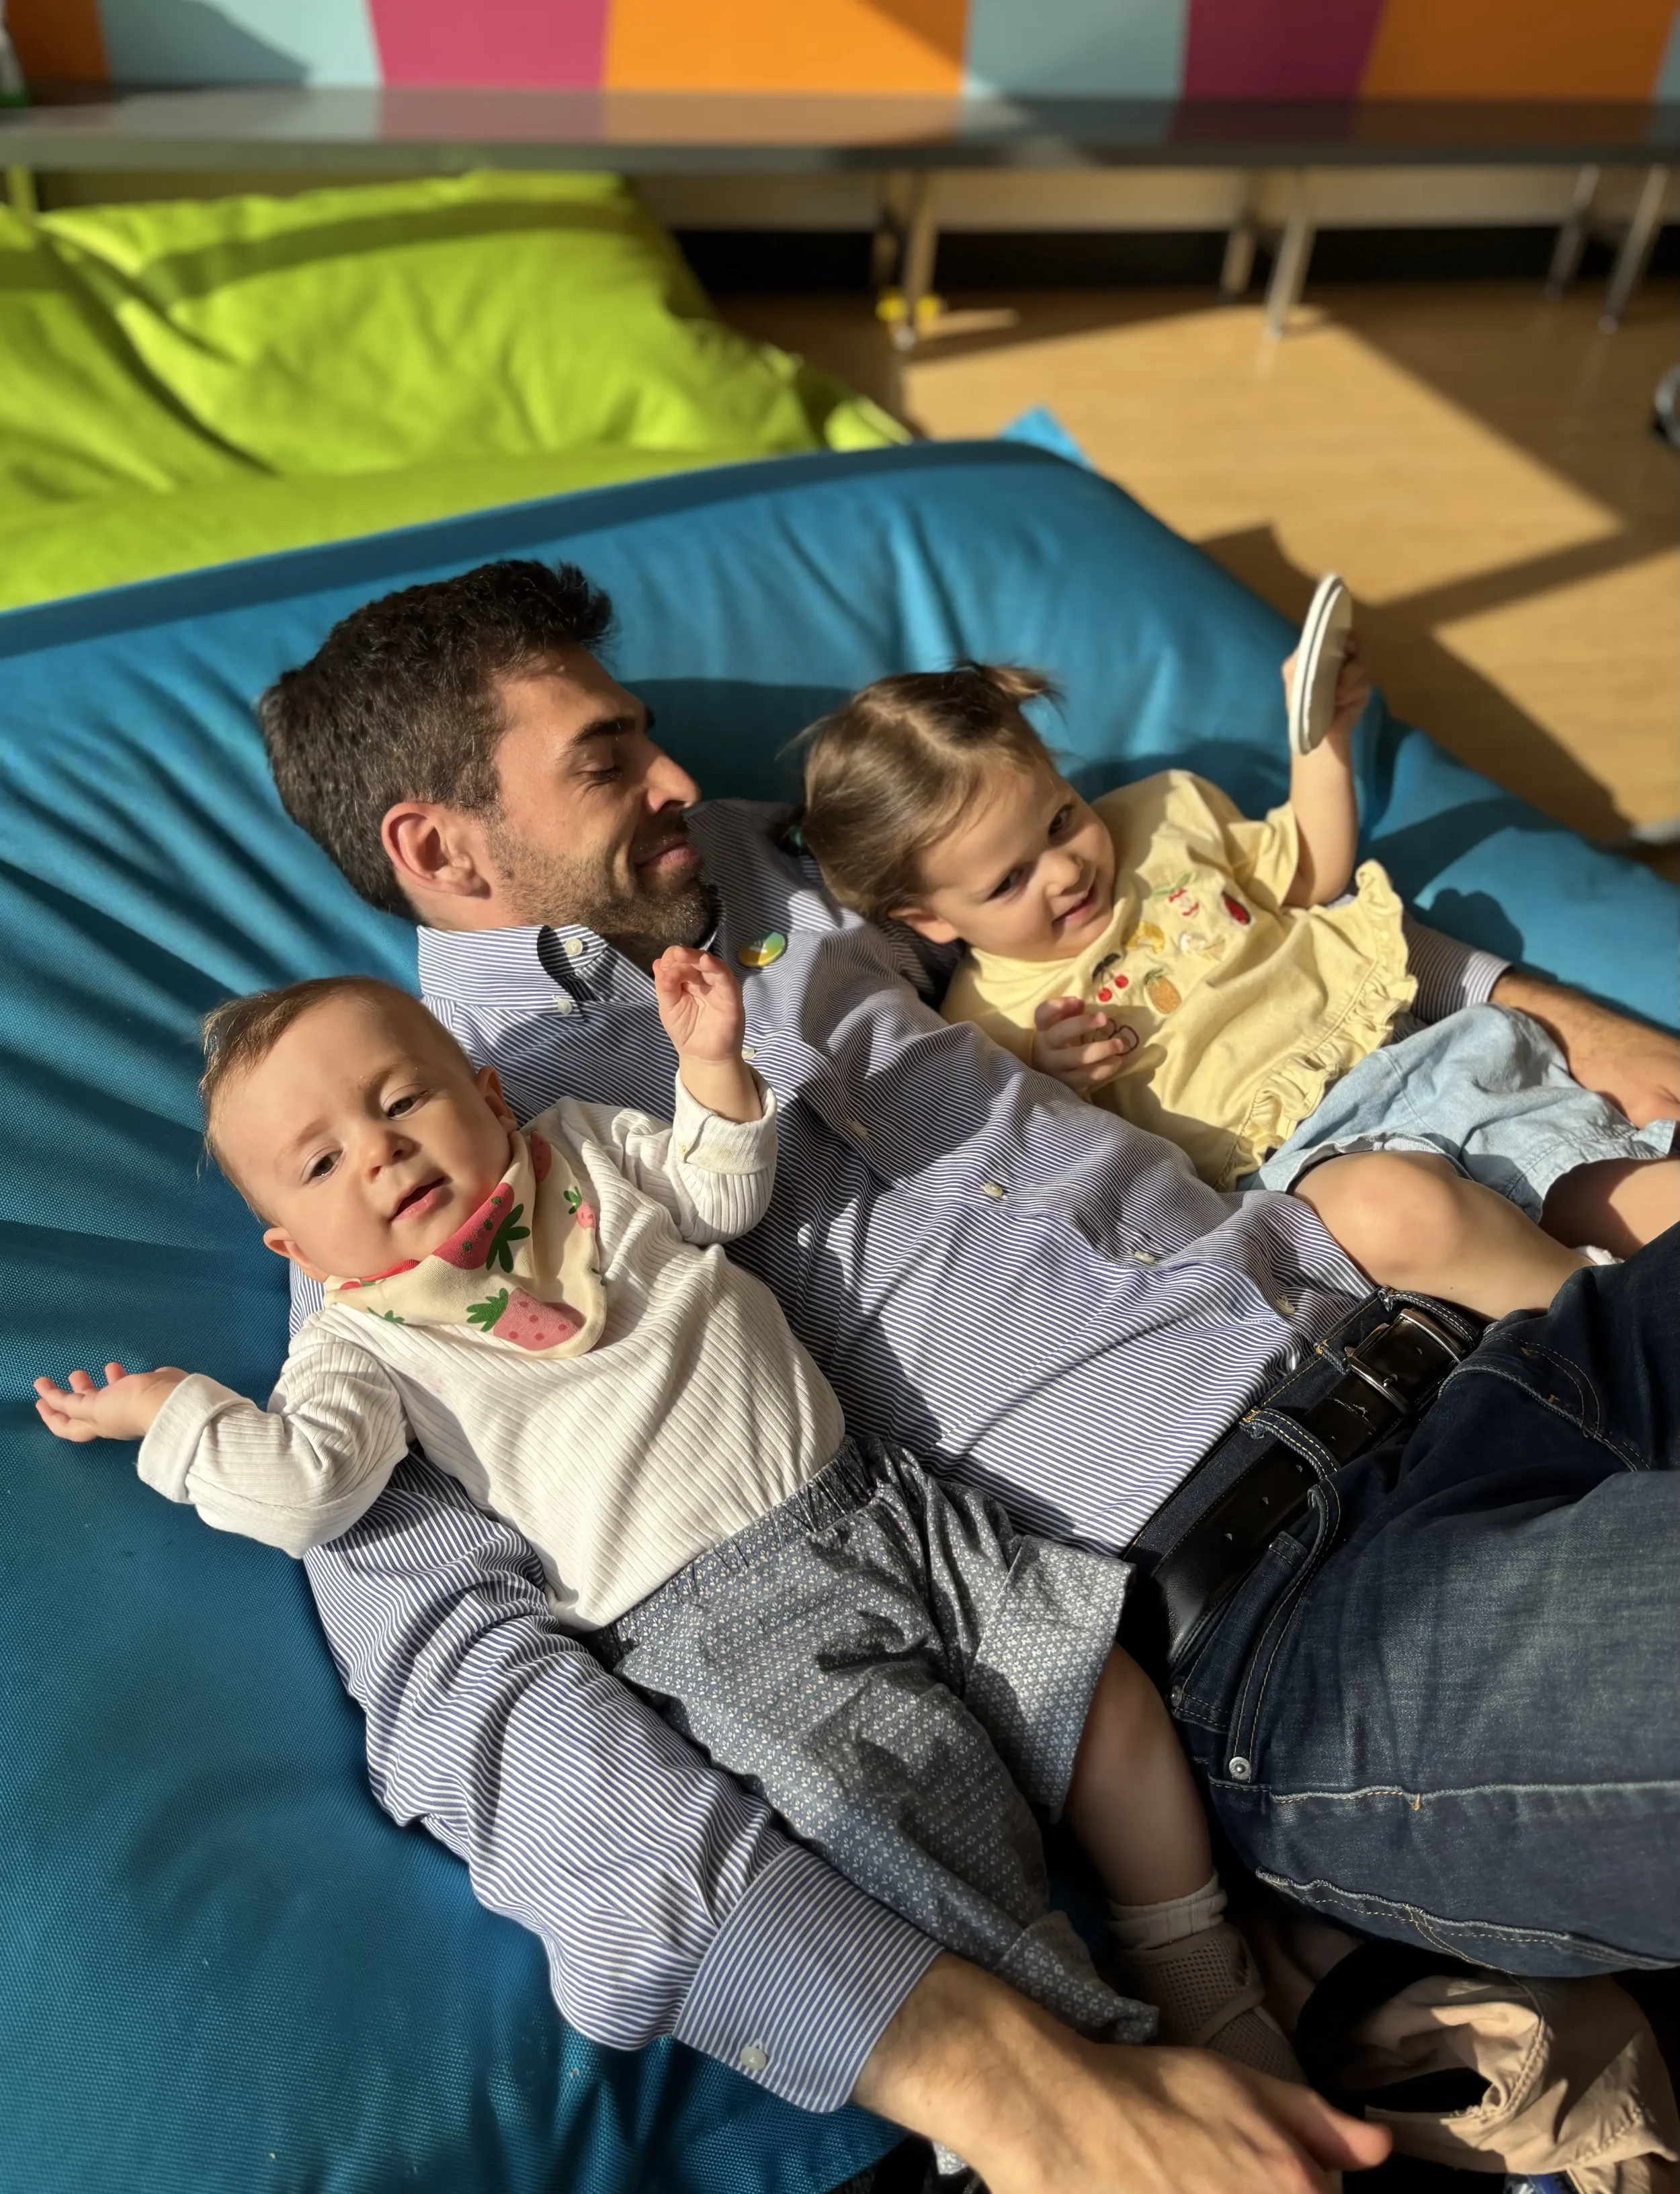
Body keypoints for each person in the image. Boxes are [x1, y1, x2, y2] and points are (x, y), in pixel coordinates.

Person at [238, 558, 1675, 2194]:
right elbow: (454, 1690)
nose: (677, 780)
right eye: (606, 760)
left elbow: (1191, 925)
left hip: (1462, 1324)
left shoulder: (785, 856)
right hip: (1293, 1608)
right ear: (437, 846)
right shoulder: (422, 1176)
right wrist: (984, 2074)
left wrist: (1551, 1019)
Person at [36, 963, 1302, 2090]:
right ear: (293, 1244)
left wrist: (710, 1075)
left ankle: (1192, 1958)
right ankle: (1094, 2076)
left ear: (484, 1093)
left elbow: (722, 1194)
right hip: (718, 1626)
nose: (379, 1153)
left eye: (403, 1100)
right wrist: (175, 1413)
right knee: (913, 1817)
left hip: (884, 1503)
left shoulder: (581, 1151)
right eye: (321, 1165)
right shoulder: (358, 1345)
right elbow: (308, 1488)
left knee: (1100, 1699)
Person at [796, 653, 1677, 1322]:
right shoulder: (988, 1023)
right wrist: (1054, 1079)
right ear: (930, 921)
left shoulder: (1166, 814)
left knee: (1634, 1188)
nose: (1064, 871)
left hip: (1436, 1062)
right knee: (1391, 1212)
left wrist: (1324, 744)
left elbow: (1307, 871)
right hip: (1303, 1162)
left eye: (1063, 818)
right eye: (1008, 883)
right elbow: (1058, 1163)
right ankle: (1604, 1340)